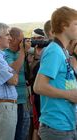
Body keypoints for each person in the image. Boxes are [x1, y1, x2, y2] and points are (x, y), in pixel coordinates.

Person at [33, 6, 77, 140]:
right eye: (76, 24)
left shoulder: (62, 51)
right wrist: (69, 94)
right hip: (57, 127)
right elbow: (38, 86)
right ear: (64, 26)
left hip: (66, 124)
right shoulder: (54, 51)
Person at [4, 27, 31, 140]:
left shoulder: (21, 53)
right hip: (10, 101)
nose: (23, 42)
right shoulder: (5, 53)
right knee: (13, 134)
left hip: (22, 100)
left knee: (22, 133)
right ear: (13, 40)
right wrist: (23, 53)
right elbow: (14, 69)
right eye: (21, 39)